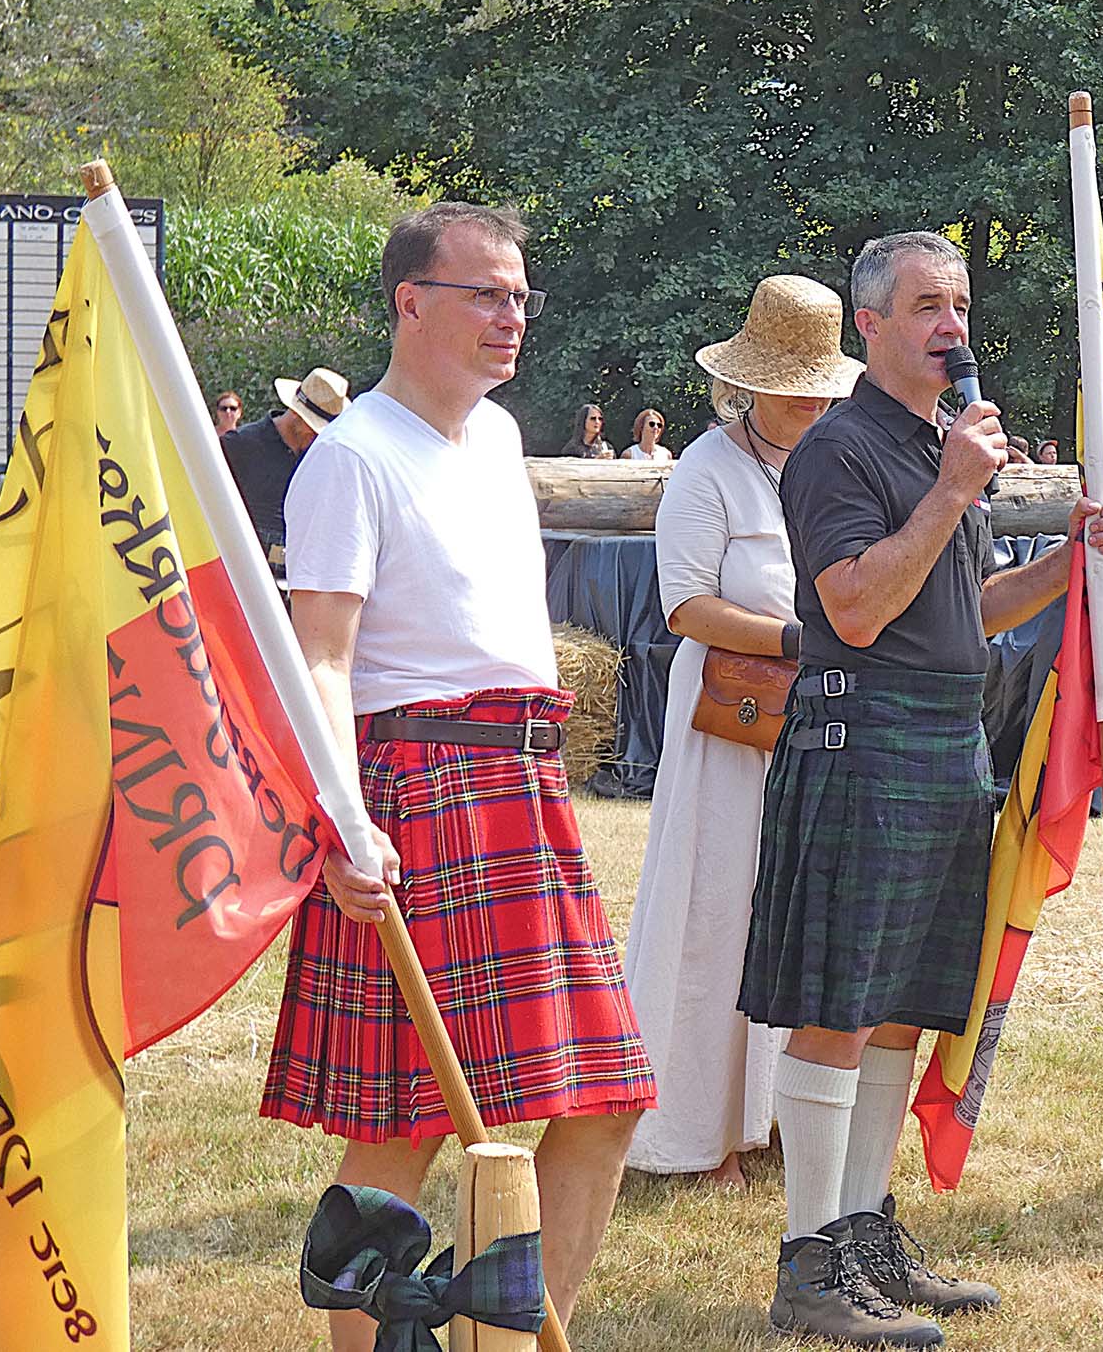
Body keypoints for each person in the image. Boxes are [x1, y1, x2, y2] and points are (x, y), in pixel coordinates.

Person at [258, 202, 652, 1352]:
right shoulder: (350, 459)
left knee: (604, 1101)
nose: (510, 314)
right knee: (407, 1116)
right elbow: (321, 655)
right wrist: (344, 818)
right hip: (415, 790)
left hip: (522, 788)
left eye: (520, 294)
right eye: (485, 291)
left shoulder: (494, 436)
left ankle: (516, 1340)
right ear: (410, 302)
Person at [740, 231, 1103, 1347]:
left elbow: (964, 612)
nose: (949, 325)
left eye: (957, 304)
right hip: (859, 742)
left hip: (945, 744)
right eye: (923, 306)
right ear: (868, 327)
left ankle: (861, 1233)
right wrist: (954, 493)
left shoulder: (938, 448)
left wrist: (1070, 561)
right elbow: (855, 610)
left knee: (902, 1009)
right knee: (837, 1010)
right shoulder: (841, 451)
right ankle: (807, 1263)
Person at [622, 275, 863, 1188]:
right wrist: (806, 638)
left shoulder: (842, 463)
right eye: (789, 380)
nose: (806, 398)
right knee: (717, 914)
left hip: (826, 720)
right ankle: (698, 1127)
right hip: (731, 732)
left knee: (802, 915)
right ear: (746, 382)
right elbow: (685, 606)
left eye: (817, 383)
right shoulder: (704, 468)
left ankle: (776, 1120)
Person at [220, 366, 347, 562]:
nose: (317, 436)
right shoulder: (238, 445)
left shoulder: (321, 456)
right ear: (297, 413)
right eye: (313, 428)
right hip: (240, 574)